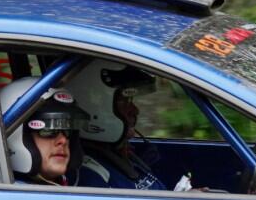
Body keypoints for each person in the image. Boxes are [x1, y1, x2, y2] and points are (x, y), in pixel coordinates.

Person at [68, 60, 191, 191]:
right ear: (94, 107)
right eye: (124, 101)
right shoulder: (90, 176)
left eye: (130, 101)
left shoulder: (123, 154)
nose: (135, 110)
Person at [0, 77, 91, 186]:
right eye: (48, 130)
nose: (63, 140)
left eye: (67, 130)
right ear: (18, 135)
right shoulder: (13, 198)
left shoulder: (90, 182)